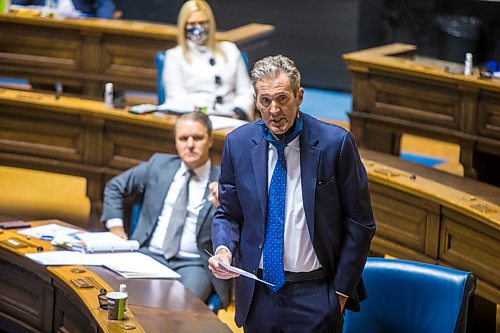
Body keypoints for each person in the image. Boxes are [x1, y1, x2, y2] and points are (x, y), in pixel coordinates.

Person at [208, 55, 376, 332]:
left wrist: (340, 295)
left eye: (282, 99)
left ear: (299, 96)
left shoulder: (336, 144)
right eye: (265, 101)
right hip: (258, 293)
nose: (274, 110)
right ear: (255, 99)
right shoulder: (237, 144)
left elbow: (361, 224)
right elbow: (228, 213)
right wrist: (224, 249)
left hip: (316, 292)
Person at [101, 112, 230, 308]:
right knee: (120, 297)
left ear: (210, 139)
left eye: (197, 138)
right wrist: (116, 229)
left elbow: (242, 224)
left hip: (194, 264)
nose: (190, 144)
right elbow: (115, 187)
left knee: (178, 309)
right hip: (148, 254)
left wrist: (225, 205)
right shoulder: (159, 165)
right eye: (183, 138)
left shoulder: (224, 180)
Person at [161, 0, 254, 120]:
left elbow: (245, 90)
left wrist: (239, 111)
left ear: (210, 23)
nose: (197, 28)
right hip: (195, 119)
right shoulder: (174, 56)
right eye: (192, 24)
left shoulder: (230, 50)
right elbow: (176, 99)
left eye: (202, 22)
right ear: (183, 26)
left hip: (231, 117)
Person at [12, 0, 116, 18]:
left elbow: (105, 4)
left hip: (78, 26)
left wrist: (102, 26)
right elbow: (16, 5)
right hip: (41, 24)